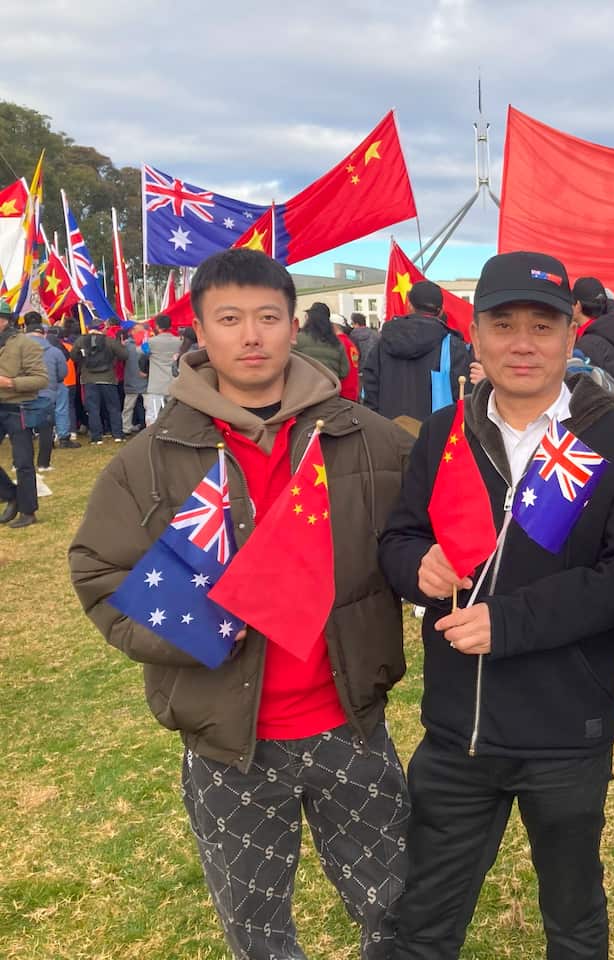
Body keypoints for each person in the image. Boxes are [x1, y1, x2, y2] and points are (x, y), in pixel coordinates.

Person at [68, 248, 414, 960]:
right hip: (229, 742)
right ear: (200, 329)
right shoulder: (150, 457)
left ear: (293, 325)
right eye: (229, 319)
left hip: (350, 726)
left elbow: (420, 546)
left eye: (267, 317)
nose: (251, 335)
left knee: (398, 912)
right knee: (256, 931)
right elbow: (99, 572)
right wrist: (188, 635)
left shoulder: (365, 437)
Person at [378, 250, 614, 960]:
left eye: (543, 325)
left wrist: (506, 622)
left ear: (572, 335)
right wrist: (418, 566)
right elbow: (398, 538)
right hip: (458, 732)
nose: (523, 343)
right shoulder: (446, 433)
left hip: (567, 732)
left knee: (573, 919)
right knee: (422, 923)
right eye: (503, 324)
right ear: (473, 335)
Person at [362, 281, 469, 421]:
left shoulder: (382, 344)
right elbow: (463, 397)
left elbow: (370, 393)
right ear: (441, 310)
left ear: (409, 306)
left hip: (388, 433)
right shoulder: (454, 346)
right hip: (436, 436)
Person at [0, 302, 50, 528]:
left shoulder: (25, 344)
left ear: (4, 319)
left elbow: (41, 379)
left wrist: (10, 383)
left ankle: (28, 510)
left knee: (23, 462)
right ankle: (12, 495)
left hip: (17, 407)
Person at [574, 277, 614, 412]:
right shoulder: (607, 331)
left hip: (599, 414)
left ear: (578, 305)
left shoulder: (589, 342)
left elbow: (587, 391)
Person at [71, 319, 127, 443]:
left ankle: (96, 438)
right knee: (113, 407)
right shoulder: (109, 341)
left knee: (93, 409)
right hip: (108, 379)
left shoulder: (81, 341)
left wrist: (83, 362)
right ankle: (117, 435)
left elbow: (73, 356)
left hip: (88, 380)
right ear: (103, 328)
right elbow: (124, 355)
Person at [24, 316, 65, 472]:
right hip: (46, 393)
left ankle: (19, 461)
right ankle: (43, 463)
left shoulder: (18, 350)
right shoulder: (54, 351)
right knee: (46, 429)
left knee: (22, 430)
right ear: (43, 334)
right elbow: (62, 373)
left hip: (23, 392)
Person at [292, 302, 350, 381]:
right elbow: (344, 372)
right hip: (330, 389)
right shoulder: (337, 343)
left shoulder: (297, 339)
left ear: (309, 319)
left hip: (304, 387)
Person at [144, 313, 181, 424]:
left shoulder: (151, 342)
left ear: (157, 326)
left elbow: (141, 351)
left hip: (157, 383)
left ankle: (151, 438)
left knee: (153, 415)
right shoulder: (179, 341)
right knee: (174, 414)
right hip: (174, 381)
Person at [121, 328, 149, 435]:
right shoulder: (146, 346)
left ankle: (126, 427)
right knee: (148, 407)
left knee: (128, 407)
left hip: (131, 381)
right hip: (144, 380)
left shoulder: (126, 346)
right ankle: (150, 425)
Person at [331, 313, 362, 402]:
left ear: (333, 326)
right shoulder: (350, 343)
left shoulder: (337, 343)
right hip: (352, 392)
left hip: (343, 393)